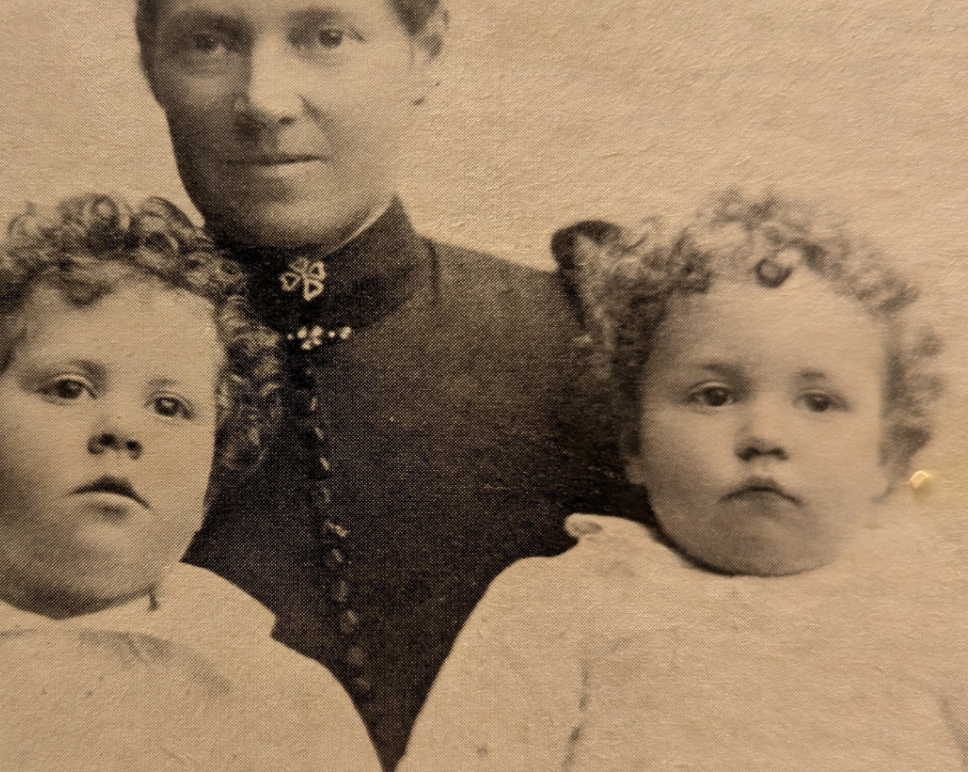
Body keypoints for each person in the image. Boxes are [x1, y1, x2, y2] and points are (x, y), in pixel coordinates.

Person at [0, 0, 646, 770]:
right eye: (210, 41)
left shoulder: (585, 351)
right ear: (149, 58)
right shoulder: (41, 377)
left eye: (325, 36)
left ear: (423, 50)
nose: (263, 99)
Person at [0, 195, 379, 772]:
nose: (121, 430)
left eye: (169, 406)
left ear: (207, 484)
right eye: (69, 388)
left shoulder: (282, 702)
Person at [400, 189, 965, 771]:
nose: (764, 434)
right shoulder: (563, 607)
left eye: (818, 403)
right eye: (713, 396)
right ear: (634, 442)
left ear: (889, 458)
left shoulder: (938, 611)